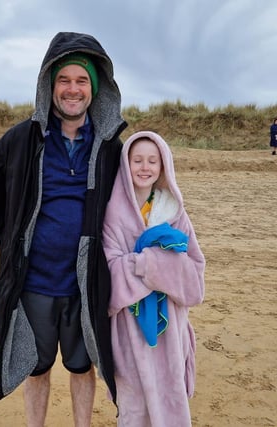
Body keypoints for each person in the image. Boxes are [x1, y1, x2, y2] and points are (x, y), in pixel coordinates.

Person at [0, 31, 126, 426]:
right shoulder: (21, 140)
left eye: (82, 81)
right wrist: (10, 244)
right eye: (64, 80)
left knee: (82, 367)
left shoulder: (112, 147)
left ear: (95, 89)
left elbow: (134, 204)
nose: (72, 89)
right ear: (49, 84)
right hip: (35, 283)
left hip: (87, 283)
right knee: (37, 366)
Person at [102, 131, 205, 426]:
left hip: (171, 328)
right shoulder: (112, 214)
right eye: (137, 160)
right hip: (128, 329)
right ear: (126, 164)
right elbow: (110, 273)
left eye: (152, 161)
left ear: (163, 167)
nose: (144, 167)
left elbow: (195, 281)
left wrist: (142, 262)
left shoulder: (175, 213)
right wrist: (162, 266)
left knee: (170, 400)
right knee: (133, 402)